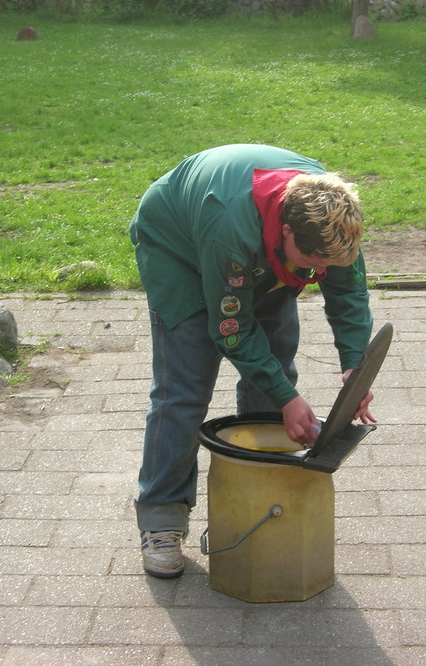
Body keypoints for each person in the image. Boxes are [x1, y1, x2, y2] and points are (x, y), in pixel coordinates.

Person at [130, 143, 375, 578]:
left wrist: (356, 366)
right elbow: (233, 329)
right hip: (179, 249)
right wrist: (287, 397)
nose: (320, 274)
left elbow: (349, 291)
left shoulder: (330, 221)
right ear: (287, 231)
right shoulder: (230, 228)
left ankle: (263, 496)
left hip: (254, 252)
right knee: (184, 391)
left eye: (327, 266)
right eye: (312, 264)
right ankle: (161, 519)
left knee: (273, 371)